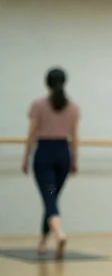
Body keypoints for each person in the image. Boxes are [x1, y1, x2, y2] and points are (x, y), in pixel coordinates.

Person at [22, 68, 80, 259]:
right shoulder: (73, 106)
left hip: (45, 153)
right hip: (63, 153)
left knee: (50, 197)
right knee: (51, 198)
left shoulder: (38, 105)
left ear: (47, 83)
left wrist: (26, 156)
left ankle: (59, 234)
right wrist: (75, 159)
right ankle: (43, 241)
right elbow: (75, 137)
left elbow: (31, 134)